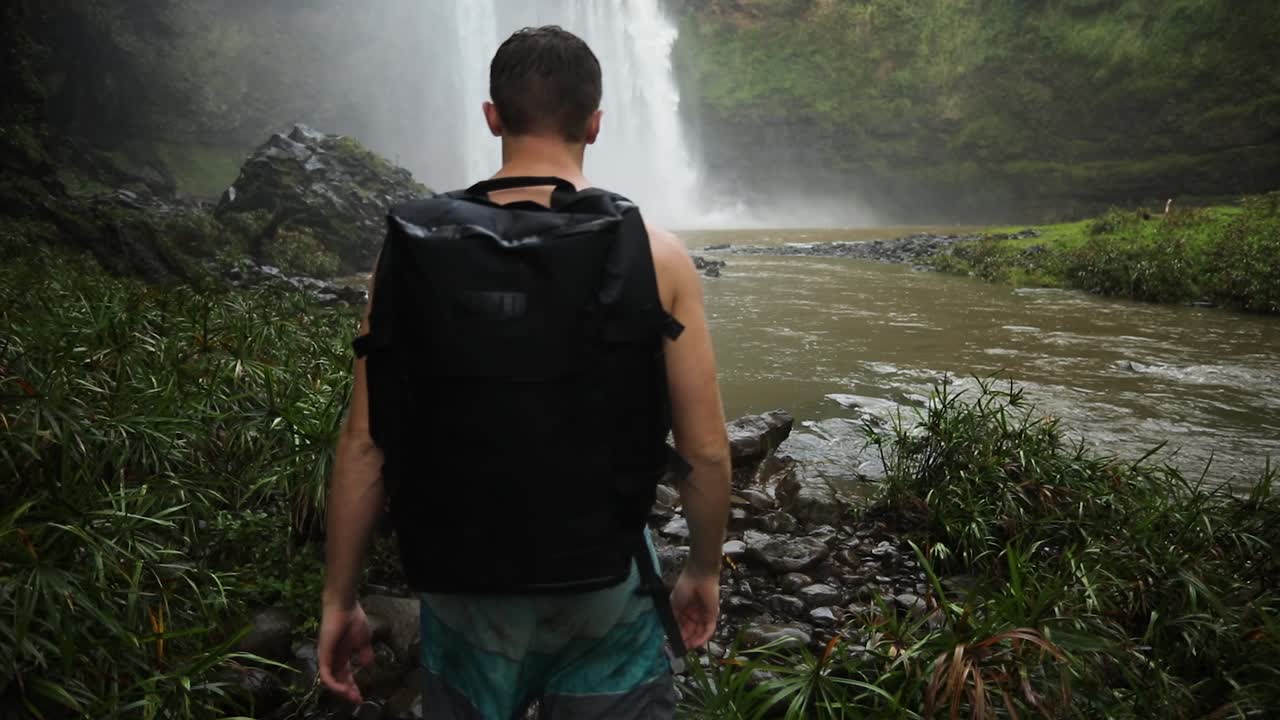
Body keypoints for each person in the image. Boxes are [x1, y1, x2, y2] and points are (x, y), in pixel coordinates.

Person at [316, 26, 731, 720]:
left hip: (463, 578)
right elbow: (706, 450)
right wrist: (703, 569)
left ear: (492, 116)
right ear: (596, 123)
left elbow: (365, 443)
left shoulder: (413, 252)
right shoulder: (657, 256)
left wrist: (340, 598)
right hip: (605, 577)